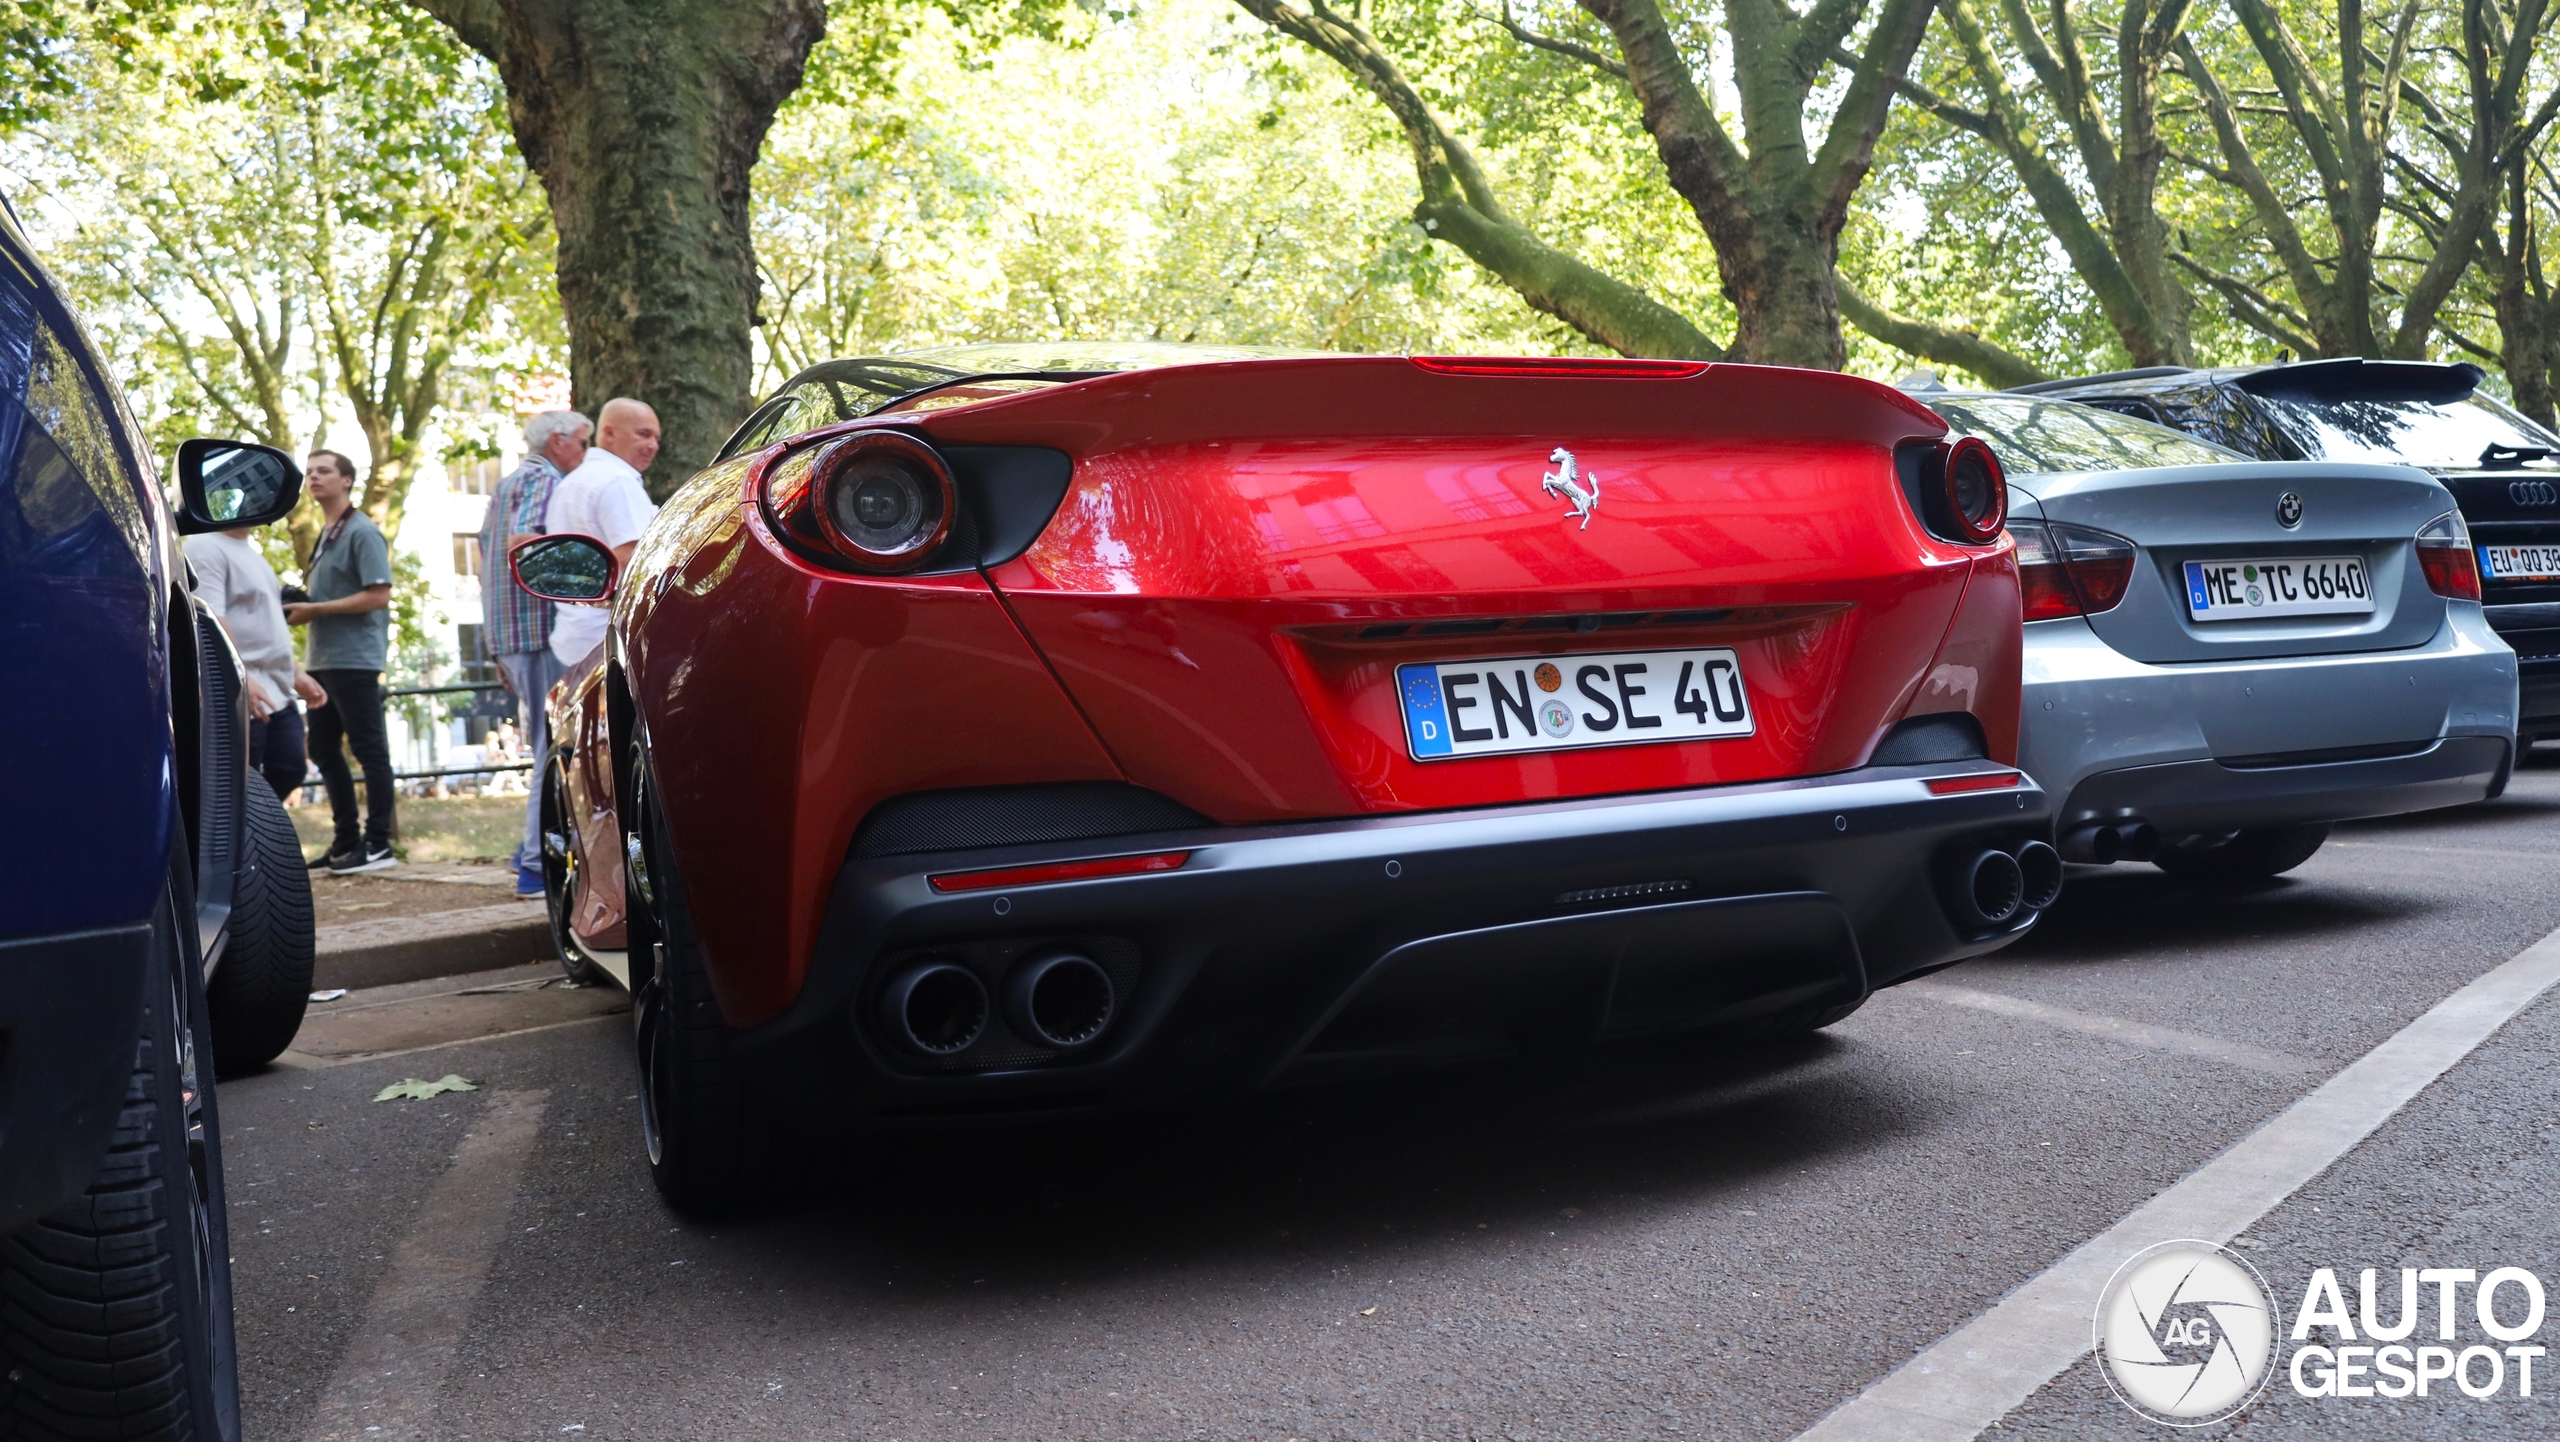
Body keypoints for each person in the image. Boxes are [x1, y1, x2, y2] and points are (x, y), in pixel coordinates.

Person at [480, 408, 590, 897]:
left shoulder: (504, 484)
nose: (585, 455)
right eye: (583, 443)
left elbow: (487, 555)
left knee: (542, 743)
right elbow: (521, 542)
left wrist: (493, 646)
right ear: (559, 441)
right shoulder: (546, 482)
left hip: (510, 633)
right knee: (552, 748)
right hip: (540, 627)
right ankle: (532, 864)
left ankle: (527, 853)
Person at [283, 449, 398, 873]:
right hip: (322, 659)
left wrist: (317, 610)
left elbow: (378, 595)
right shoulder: (326, 531)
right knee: (324, 748)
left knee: (369, 751)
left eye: (324, 471)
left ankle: (380, 844)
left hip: (355, 660)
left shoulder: (362, 532)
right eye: (309, 472)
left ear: (346, 480)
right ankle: (346, 841)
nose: (313, 478)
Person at [183, 524, 327, 801]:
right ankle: (239, 842)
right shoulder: (204, 547)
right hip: (242, 693)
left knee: (290, 768)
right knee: (241, 786)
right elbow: (210, 620)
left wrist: (296, 673)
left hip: (277, 692)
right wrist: (239, 678)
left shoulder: (252, 554)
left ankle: (256, 836)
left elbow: (268, 626)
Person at [546, 397, 661, 671]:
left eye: (657, 438)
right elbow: (634, 561)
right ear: (609, 433)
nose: (653, 446)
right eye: (643, 434)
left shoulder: (571, 483)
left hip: (574, 642)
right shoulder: (617, 482)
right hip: (609, 649)